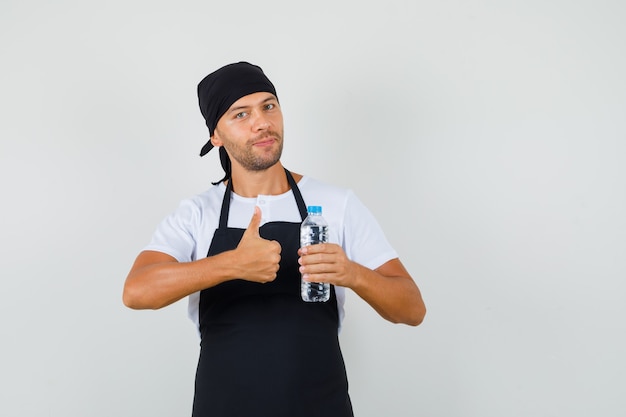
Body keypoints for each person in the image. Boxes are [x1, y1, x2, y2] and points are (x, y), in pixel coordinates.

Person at [122, 61, 426, 417]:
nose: (261, 122)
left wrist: (353, 274)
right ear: (215, 136)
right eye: (240, 114)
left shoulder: (337, 203)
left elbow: (412, 309)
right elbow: (136, 291)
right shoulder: (197, 213)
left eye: (269, 106)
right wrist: (230, 264)